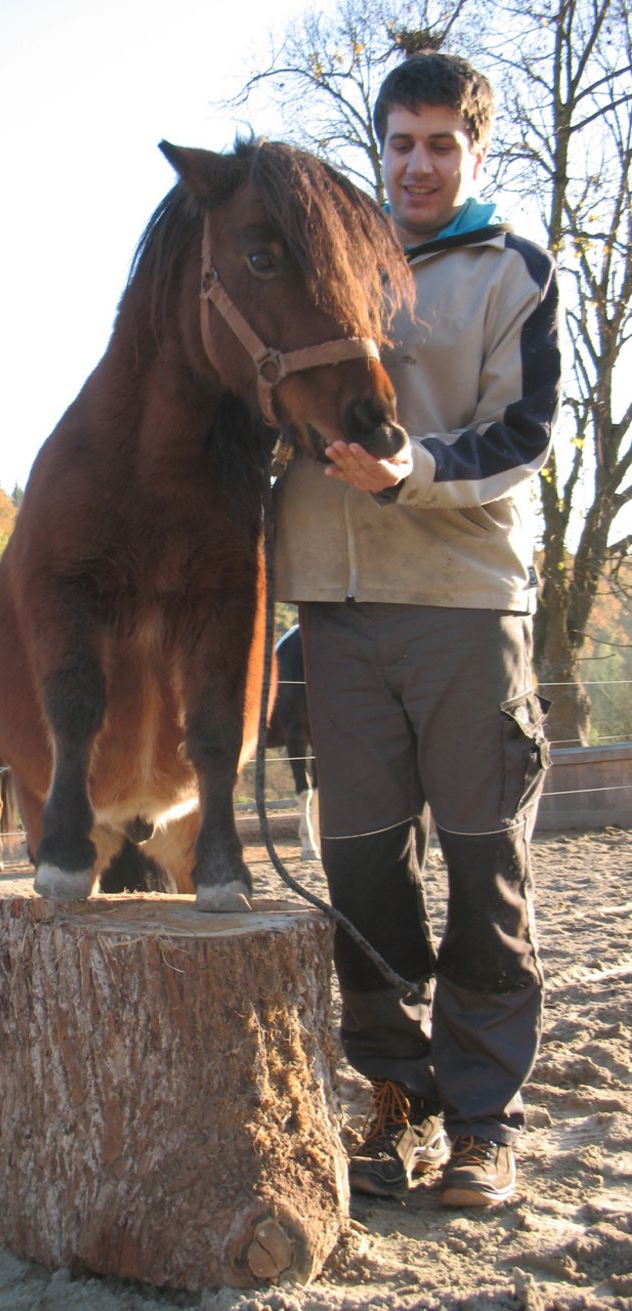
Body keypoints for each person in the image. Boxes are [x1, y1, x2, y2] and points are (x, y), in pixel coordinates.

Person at [273, 50, 560, 1208]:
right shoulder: (322, 264)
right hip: (333, 619)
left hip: (463, 606)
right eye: (401, 141)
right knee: (362, 877)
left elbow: (524, 434)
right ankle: (395, 1099)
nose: (418, 161)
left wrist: (409, 472)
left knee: (485, 865)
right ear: (379, 145)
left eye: (442, 142)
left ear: (474, 152)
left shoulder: (513, 272)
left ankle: (484, 1122)